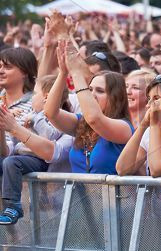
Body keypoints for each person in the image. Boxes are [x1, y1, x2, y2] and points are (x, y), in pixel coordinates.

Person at [44, 41, 133, 174]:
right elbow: (51, 113)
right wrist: (63, 73)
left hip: (111, 195)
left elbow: (95, 119)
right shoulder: (82, 122)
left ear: (116, 97)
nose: (92, 95)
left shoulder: (124, 127)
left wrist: (77, 73)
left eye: (100, 91)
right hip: (78, 195)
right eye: (90, 89)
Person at [0, 75, 73, 225]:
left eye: (34, 93)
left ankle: (13, 206)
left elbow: (50, 135)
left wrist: (37, 117)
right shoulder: (32, 114)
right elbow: (12, 143)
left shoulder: (57, 116)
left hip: (38, 159)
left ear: (46, 97)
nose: (32, 98)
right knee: (7, 161)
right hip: (21, 156)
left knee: (11, 163)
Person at [0, 47, 37, 155]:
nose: (1, 71)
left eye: (7, 67)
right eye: (0, 66)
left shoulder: (35, 104)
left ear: (25, 72)